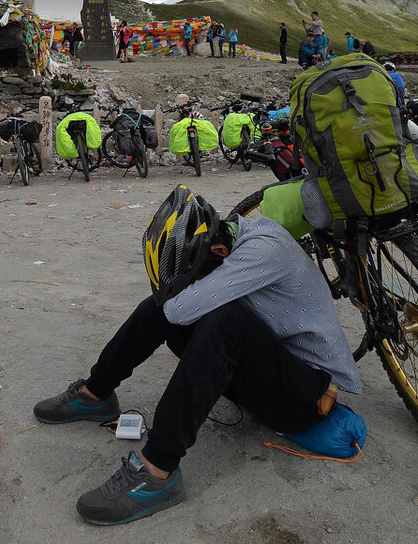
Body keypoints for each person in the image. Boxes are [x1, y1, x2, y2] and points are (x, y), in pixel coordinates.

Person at [32, 186, 360, 525]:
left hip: (304, 395)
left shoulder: (264, 249)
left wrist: (178, 290)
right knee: (160, 308)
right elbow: (170, 306)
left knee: (216, 320)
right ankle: (95, 392)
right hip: (267, 370)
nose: (193, 284)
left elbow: (178, 310)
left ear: (218, 249)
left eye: (196, 275)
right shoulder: (231, 237)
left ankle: (157, 471)